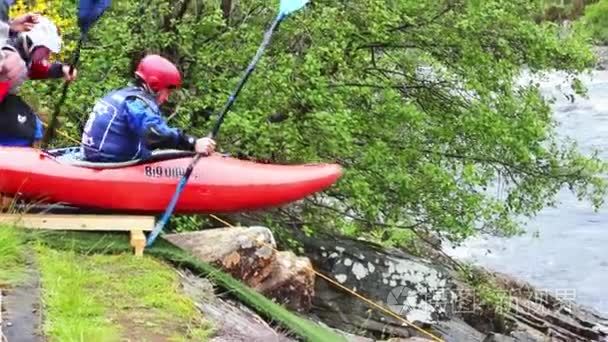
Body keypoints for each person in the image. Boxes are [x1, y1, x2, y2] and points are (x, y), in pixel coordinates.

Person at [81, 54, 216, 162]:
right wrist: (192, 143)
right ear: (155, 85)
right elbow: (154, 134)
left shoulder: (119, 94)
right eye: (167, 92)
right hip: (111, 162)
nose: (167, 98)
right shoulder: (136, 103)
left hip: (93, 156)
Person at [0, 16, 77, 147]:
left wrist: (61, 69)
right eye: (46, 51)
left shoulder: (23, 54)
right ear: (35, 44)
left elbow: (34, 69)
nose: (47, 56)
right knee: (30, 129)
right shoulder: (10, 59)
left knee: (34, 126)